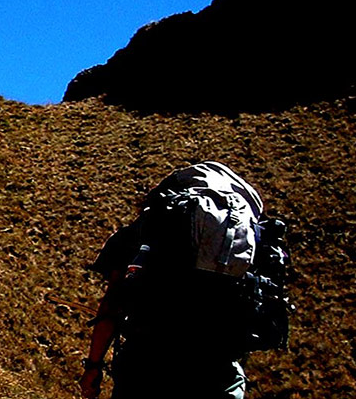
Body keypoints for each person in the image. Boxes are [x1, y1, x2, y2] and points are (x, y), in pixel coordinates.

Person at [80, 161, 285, 399]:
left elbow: (112, 306)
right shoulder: (254, 241)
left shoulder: (154, 227)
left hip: (146, 367)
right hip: (216, 374)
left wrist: (93, 368)